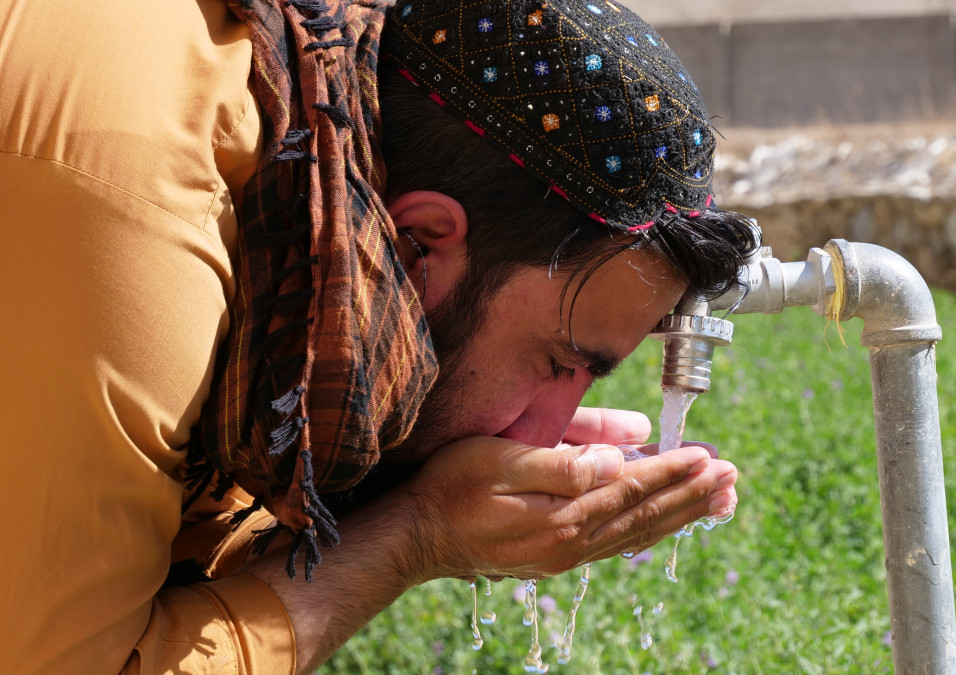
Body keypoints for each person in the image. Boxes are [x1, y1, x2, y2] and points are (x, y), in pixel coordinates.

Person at [0, 0, 754, 671]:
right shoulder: (144, 212)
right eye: (558, 361)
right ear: (421, 238)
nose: (545, 429)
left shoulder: (304, 134)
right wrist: (413, 533)